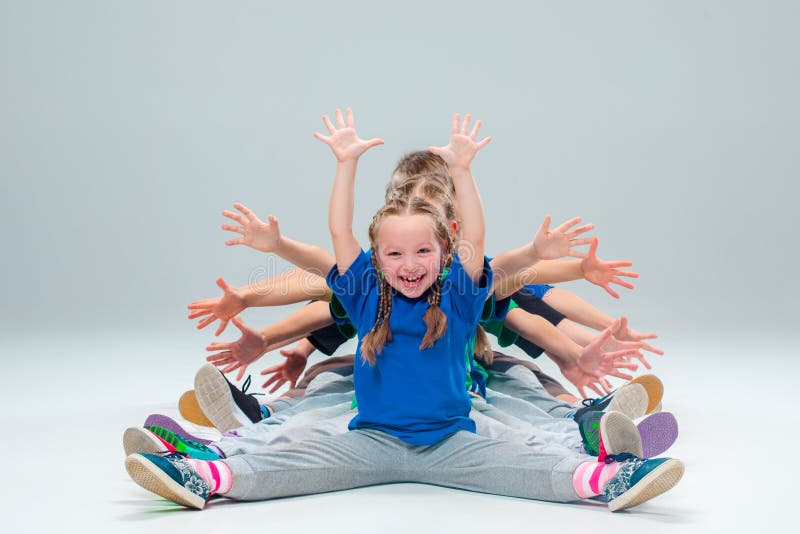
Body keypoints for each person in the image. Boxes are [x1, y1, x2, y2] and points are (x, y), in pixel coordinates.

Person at [125, 109, 683, 511]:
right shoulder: (367, 297)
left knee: (530, 455)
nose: (409, 263)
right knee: (289, 455)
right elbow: (335, 238)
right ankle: (201, 470)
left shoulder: (461, 297)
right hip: (370, 441)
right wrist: (344, 165)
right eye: (393, 253)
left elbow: (523, 280)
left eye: (423, 251)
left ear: (447, 252)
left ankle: (608, 472)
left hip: (451, 442)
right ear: (376, 259)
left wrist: (465, 171)